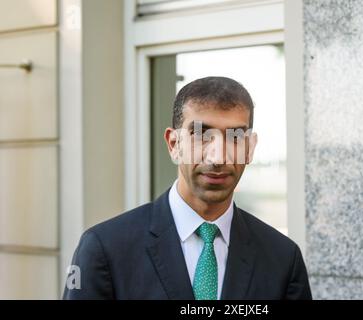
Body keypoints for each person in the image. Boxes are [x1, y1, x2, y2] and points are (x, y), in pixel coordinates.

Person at [63, 76, 312, 300]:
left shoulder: (282, 258)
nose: (217, 157)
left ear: (250, 148)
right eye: (201, 134)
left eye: (235, 137)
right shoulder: (105, 248)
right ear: (174, 144)